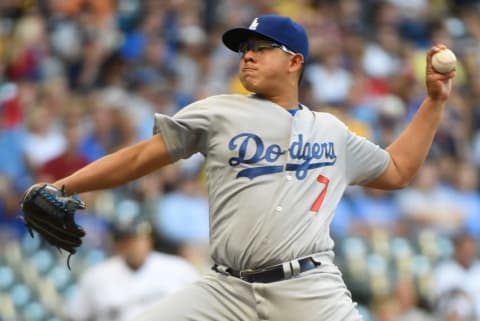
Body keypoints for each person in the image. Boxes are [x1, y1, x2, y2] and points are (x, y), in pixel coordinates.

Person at [35, 14, 454, 321]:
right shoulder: (218, 112)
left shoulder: (331, 130)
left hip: (307, 288)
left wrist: (433, 102)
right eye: (244, 49)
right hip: (226, 289)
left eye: (260, 47)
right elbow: (142, 156)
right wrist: (66, 186)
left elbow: (398, 170)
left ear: (295, 62)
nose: (247, 56)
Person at [67, 217, 199, 321]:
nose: (135, 246)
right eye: (127, 241)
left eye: (139, 239)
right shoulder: (96, 276)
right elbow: (77, 316)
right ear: (117, 245)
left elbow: (201, 308)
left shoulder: (178, 269)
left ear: (149, 241)